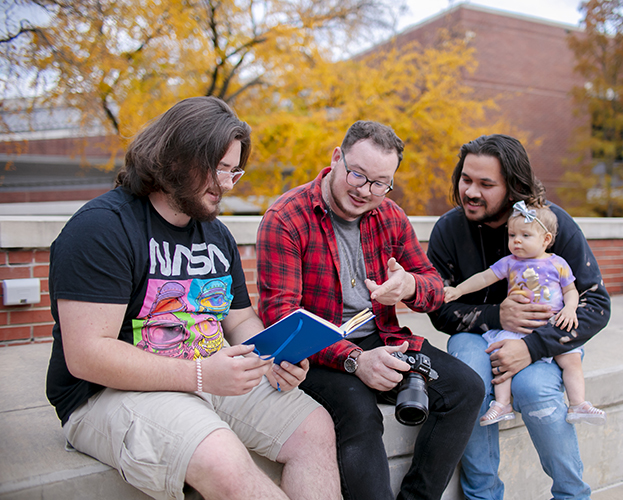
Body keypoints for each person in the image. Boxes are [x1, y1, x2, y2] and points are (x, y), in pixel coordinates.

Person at [45, 96, 340, 500]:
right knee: (222, 458)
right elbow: (87, 355)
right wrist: (201, 375)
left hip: (207, 374)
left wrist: (271, 359)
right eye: (219, 168)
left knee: (315, 428)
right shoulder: (101, 229)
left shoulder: (215, 234)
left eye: (235, 171)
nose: (226, 184)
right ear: (176, 157)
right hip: (107, 394)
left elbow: (238, 319)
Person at [256, 120, 484, 500]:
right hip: (318, 353)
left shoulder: (390, 215)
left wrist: (410, 285)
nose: (366, 191)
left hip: (384, 337)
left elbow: (433, 288)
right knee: (360, 414)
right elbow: (282, 319)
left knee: (466, 388)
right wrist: (356, 360)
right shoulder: (286, 217)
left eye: (380, 183)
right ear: (336, 158)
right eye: (357, 175)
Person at [427, 134, 611, 500]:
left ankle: (573, 495)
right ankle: (483, 495)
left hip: (544, 338)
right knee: (469, 384)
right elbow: (440, 307)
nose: (470, 191)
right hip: (477, 336)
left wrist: (530, 347)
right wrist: (497, 315)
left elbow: (596, 303)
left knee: (535, 388)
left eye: (486, 184)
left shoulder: (549, 224)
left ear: (513, 188)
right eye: (466, 179)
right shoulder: (448, 229)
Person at [444, 200, 606, 427]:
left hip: (549, 328)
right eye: (512, 235)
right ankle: (501, 404)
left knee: (571, 360)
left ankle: (578, 404)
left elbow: (571, 290)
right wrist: (458, 290)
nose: (516, 240)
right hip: (517, 327)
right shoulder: (510, 263)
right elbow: (483, 278)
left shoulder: (558, 264)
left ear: (546, 239)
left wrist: (570, 309)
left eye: (525, 235)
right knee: (502, 360)